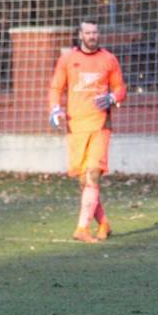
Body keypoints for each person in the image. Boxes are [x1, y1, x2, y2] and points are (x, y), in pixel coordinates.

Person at [48, 19, 127, 243]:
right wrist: (55, 109)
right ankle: (103, 223)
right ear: (80, 35)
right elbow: (56, 87)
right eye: (88, 32)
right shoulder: (68, 59)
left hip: (100, 125)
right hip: (75, 126)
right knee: (85, 182)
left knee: (93, 175)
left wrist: (112, 97)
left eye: (95, 32)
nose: (92, 36)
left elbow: (120, 88)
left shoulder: (108, 59)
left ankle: (82, 228)